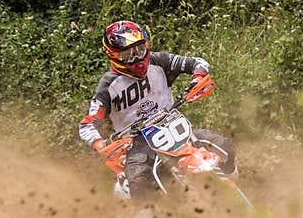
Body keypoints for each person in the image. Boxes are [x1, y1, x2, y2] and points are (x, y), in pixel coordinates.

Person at [78, 20, 237, 202]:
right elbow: (87, 124)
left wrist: (197, 79)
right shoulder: (108, 85)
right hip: (136, 142)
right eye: (127, 55)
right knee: (139, 182)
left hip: (173, 128)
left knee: (224, 146)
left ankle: (235, 195)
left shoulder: (158, 61)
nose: (136, 58)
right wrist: (100, 143)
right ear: (113, 56)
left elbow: (197, 63)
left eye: (139, 50)